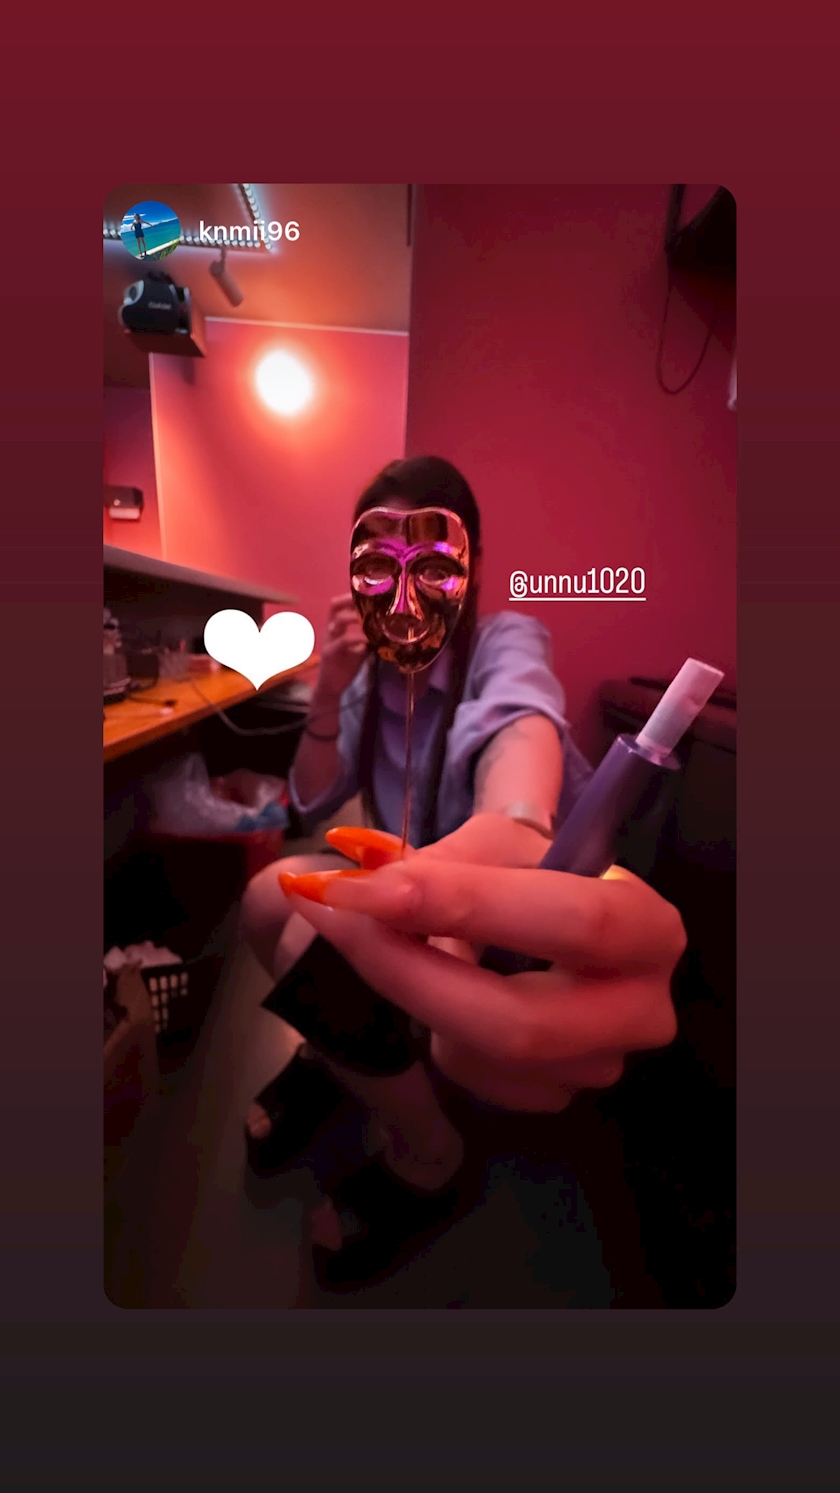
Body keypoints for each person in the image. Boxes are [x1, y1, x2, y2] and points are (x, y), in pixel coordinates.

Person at [238, 455, 682, 1289]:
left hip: (500, 913)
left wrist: (515, 819)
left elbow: (521, 740)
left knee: (306, 933)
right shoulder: (370, 674)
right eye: (377, 562)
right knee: (267, 897)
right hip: (413, 894)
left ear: (468, 572)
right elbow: (310, 799)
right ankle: (339, 1057)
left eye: (432, 562)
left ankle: (429, 1151)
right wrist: (329, 689)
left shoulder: (503, 641)